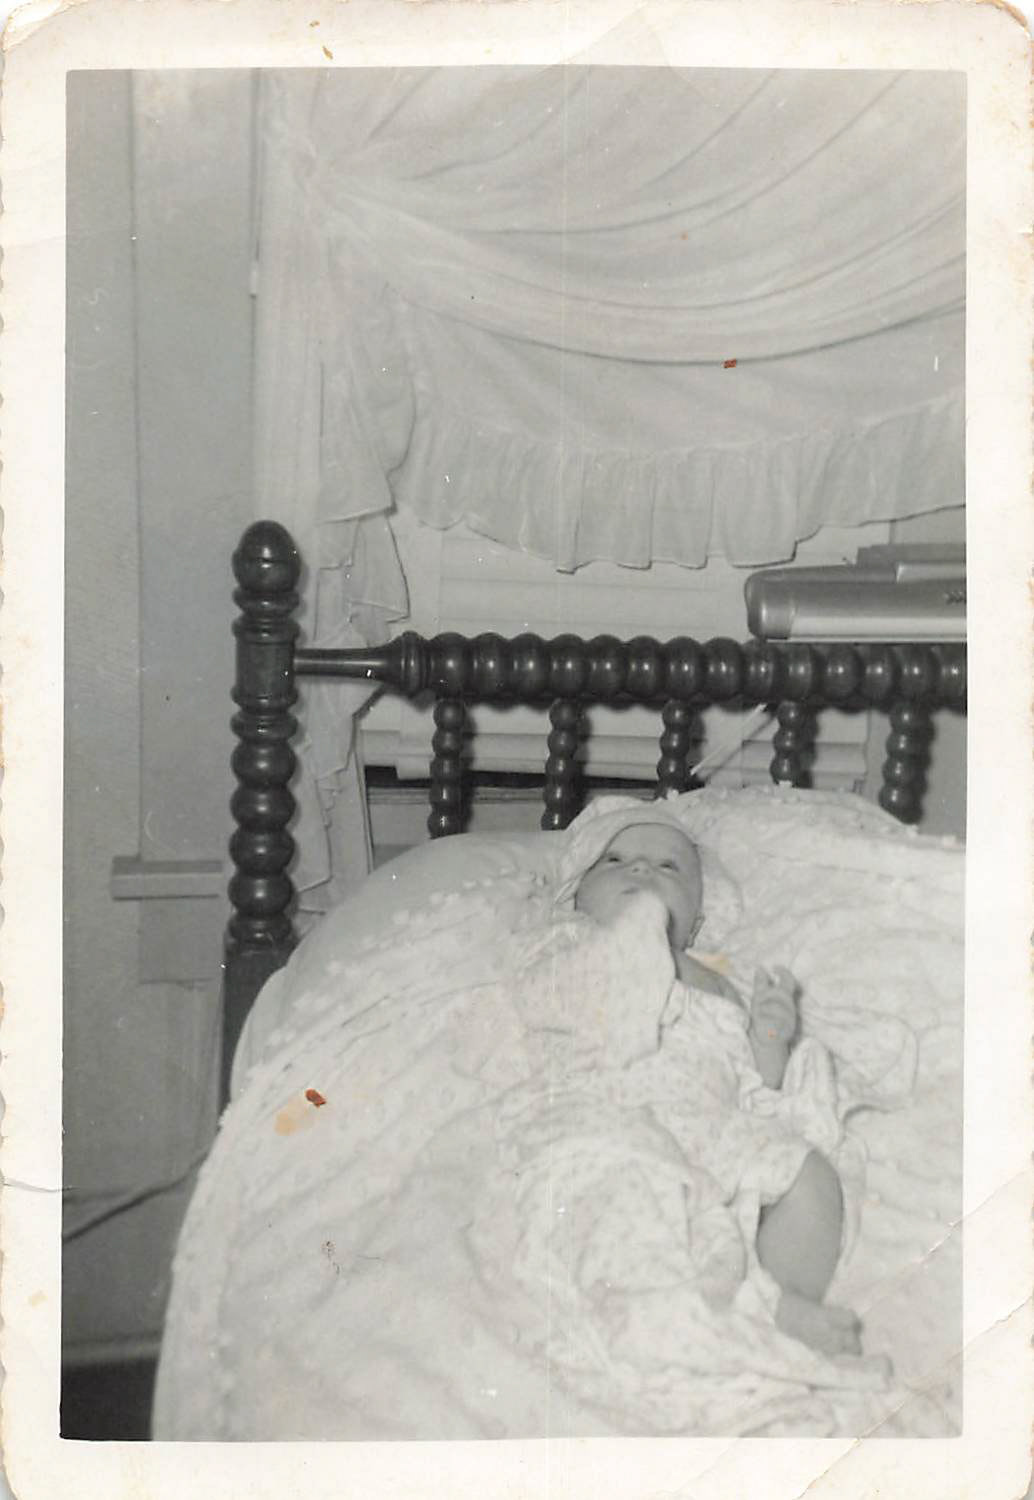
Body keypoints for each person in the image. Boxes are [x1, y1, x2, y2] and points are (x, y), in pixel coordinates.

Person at [571, 814, 863, 1361]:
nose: (640, 868)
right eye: (614, 860)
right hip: (615, 1115)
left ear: (695, 924)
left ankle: (785, 1298)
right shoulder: (569, 947)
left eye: (668, 867)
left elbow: (754, 1085)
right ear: (576, 898)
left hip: (710, 1125)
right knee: (630, 1211)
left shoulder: (716, 982)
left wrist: (769, 1037)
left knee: (809, 1174)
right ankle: (698, 1310)